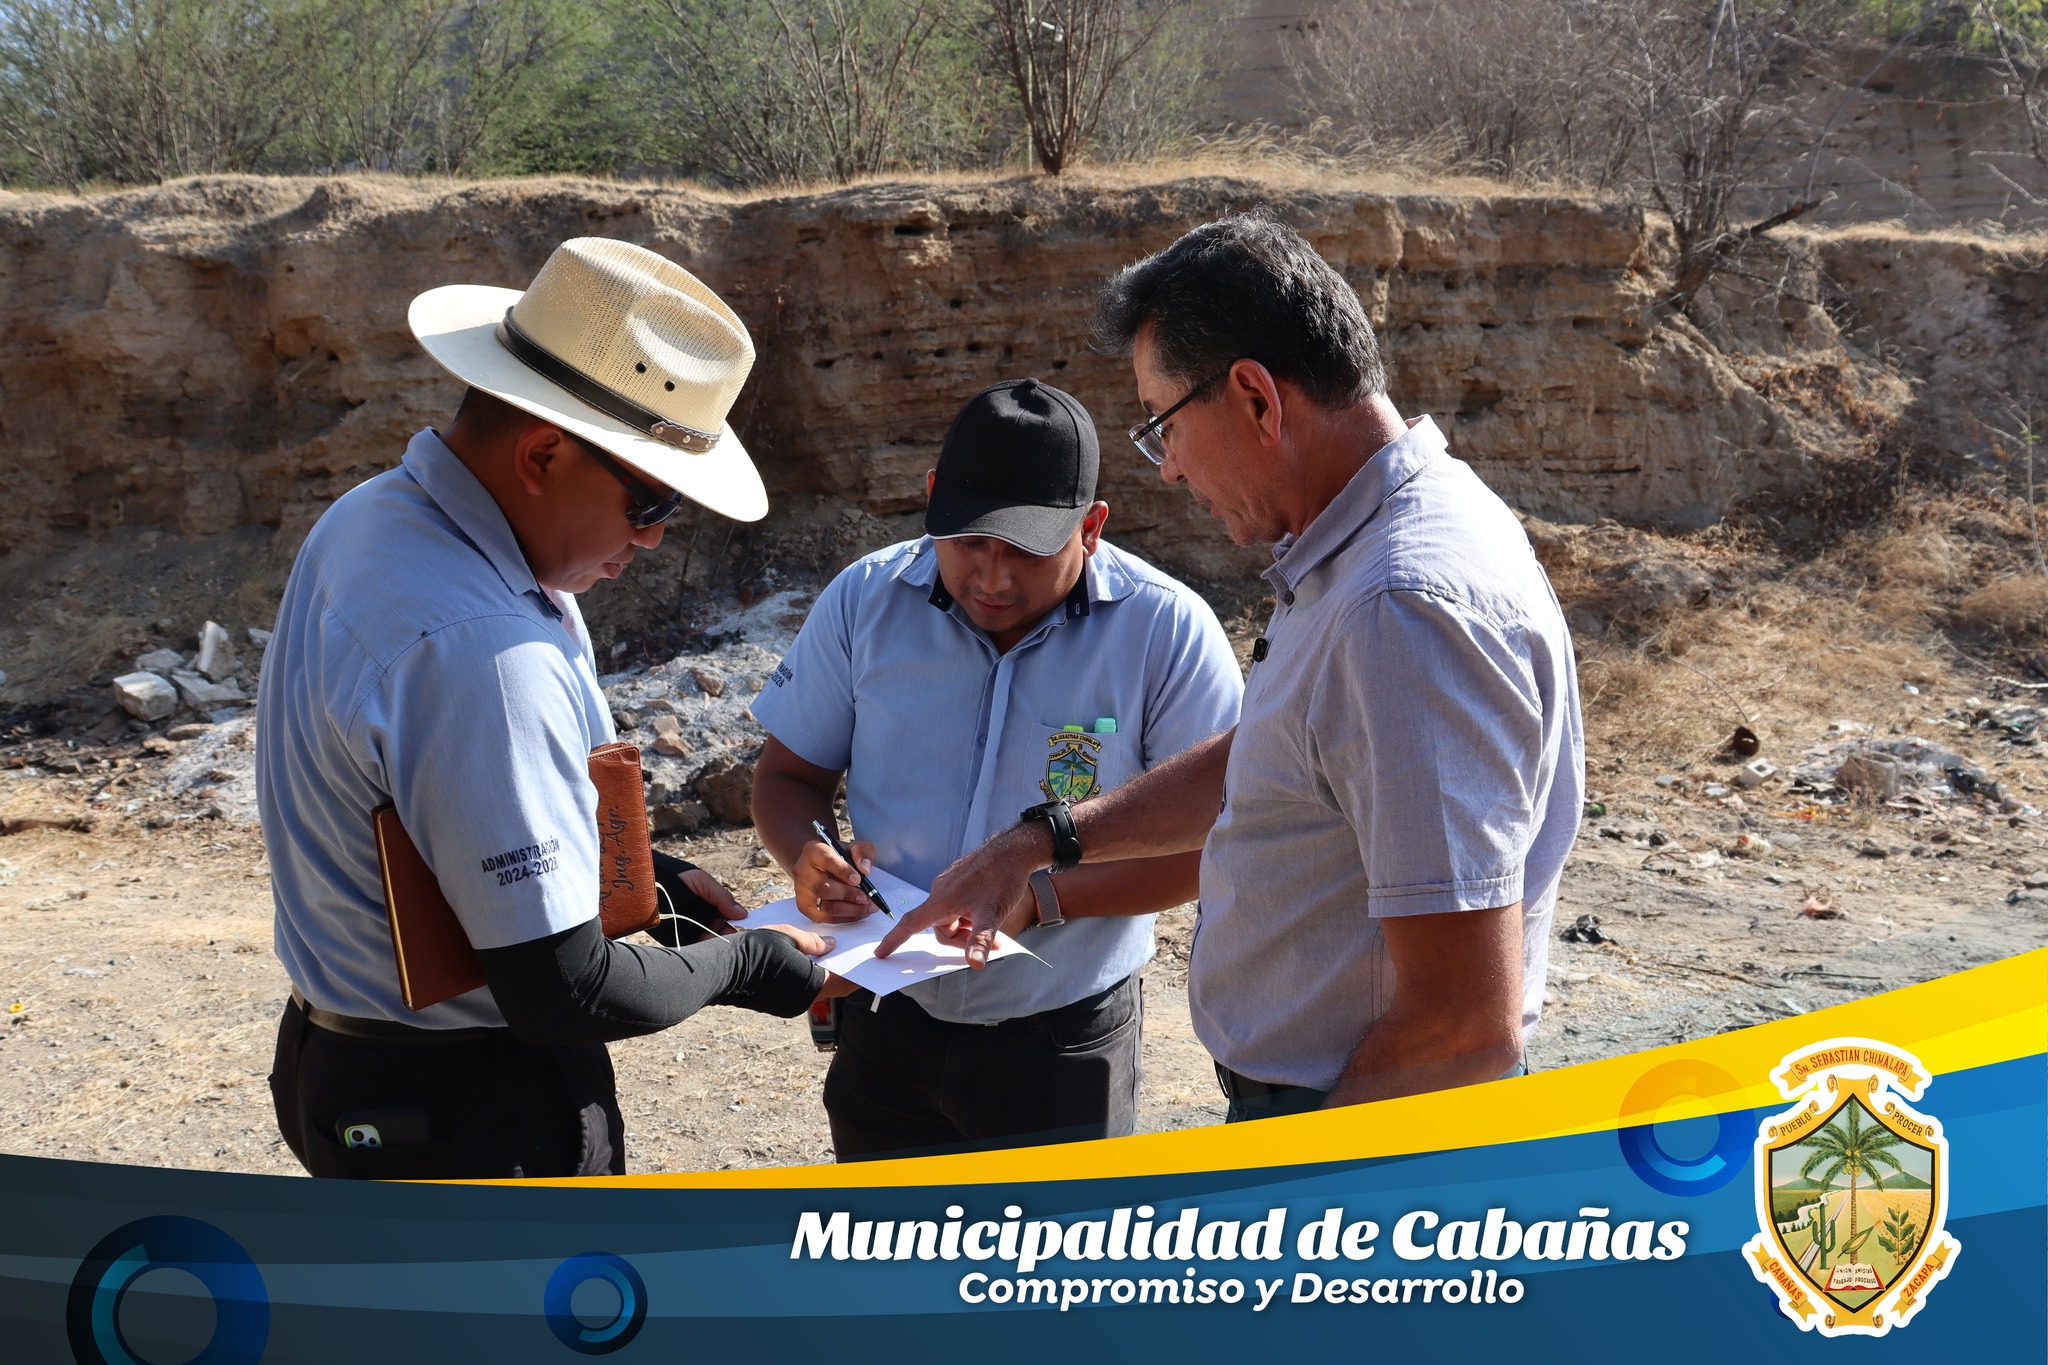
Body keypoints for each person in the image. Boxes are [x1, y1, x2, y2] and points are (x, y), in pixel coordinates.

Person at [879, 210, 1585, 1120]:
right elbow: (1276, 754)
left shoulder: (1399, 606)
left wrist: (1295, 1178)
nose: (1167, 470)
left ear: (1255, 397)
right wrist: (1040, 841)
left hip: (1358, 1135)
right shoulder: (1364, 542)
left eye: (1163, 426)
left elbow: (1461, 1027)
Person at [258, 238, 847, 1179]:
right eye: (651, 502)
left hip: (360, 1073)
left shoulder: (378, 519)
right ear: (541, 454)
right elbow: (563, 988)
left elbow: (439, 819)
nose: (653, 541)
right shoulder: (483, 646)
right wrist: (747, 963)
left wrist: (645, 877)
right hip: (470, 1117)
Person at [750, 377, 1242, 1159]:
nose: (992, 578)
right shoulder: (864, 602)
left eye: (1025, 551)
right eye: (969, 542)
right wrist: (811, 853)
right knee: (881, 1237)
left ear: (1091, 526)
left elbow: (1209, 843)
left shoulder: (1166, 632)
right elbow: (786, 779)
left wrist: (1041, 898)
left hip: (1062, 1041)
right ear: (933, 500)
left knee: (1050, 1243)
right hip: (886, 1020)